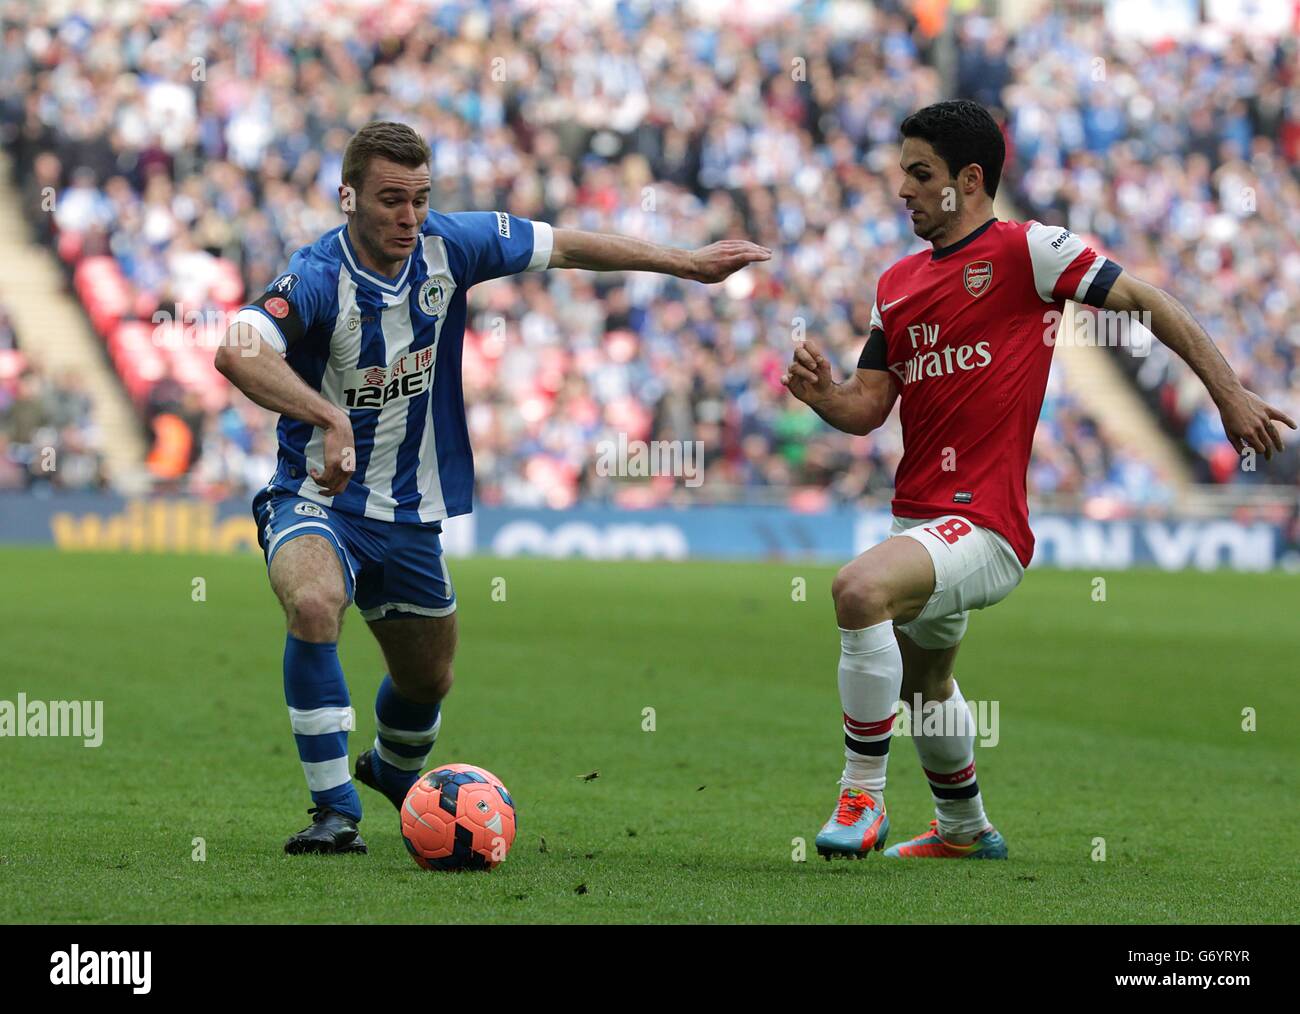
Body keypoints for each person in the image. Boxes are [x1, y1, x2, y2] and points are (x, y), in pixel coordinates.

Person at [216, 121, 769, 855]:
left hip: (412, 511)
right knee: (315, 604)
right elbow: (237, 348)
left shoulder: (455, 243)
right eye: (389, 200)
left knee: (427, 681)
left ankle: (389, 771)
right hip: (316, 500)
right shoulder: (317, 275)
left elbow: (568, 244)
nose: (408, 216)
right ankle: (335, 813)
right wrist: (324, 415)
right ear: (347, 197)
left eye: (419, 198)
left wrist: (686, 263)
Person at [782, 100, 1294, 860]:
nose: (903, 190)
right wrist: (825, 394)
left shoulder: (1030, 251)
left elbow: (1148, 301)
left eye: (920, 175)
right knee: (924, 686)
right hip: (917, 519)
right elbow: (869, 405)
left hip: (985, 525)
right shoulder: (896, 283)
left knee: (858, 592)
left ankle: (861, 795)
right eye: (902, 174)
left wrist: (1228, 392)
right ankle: (964, 831)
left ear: (970, 180)